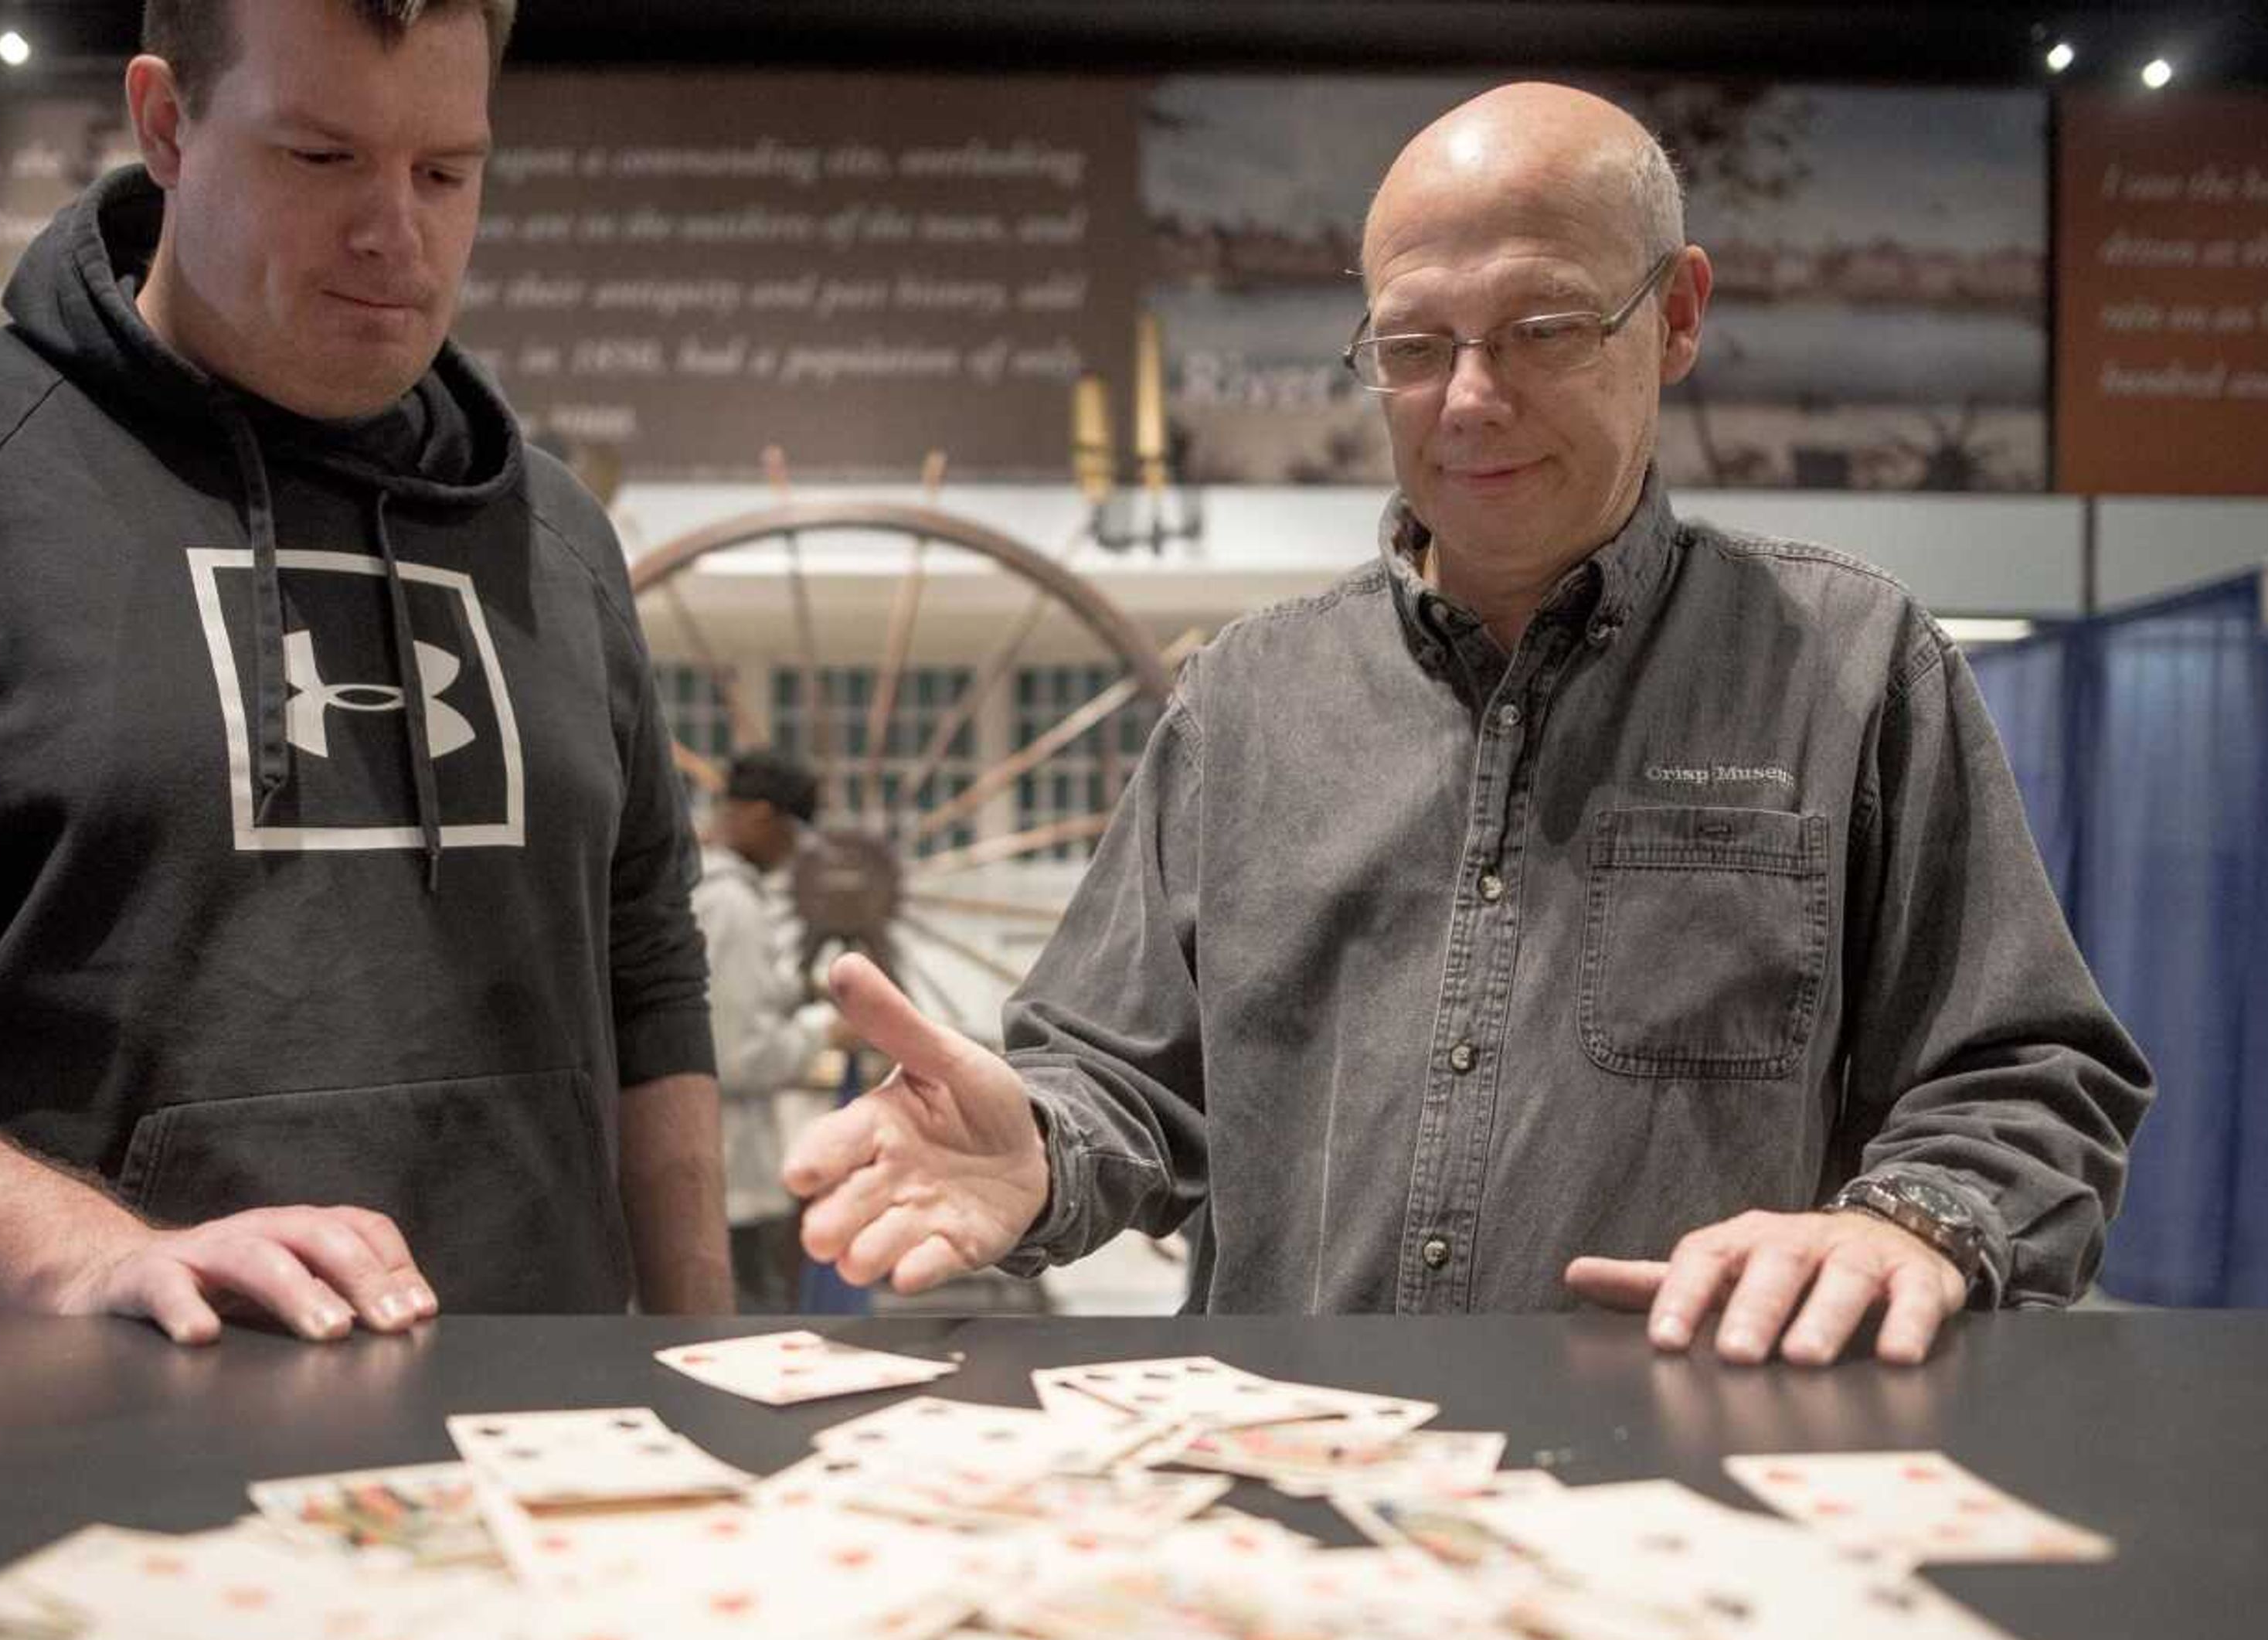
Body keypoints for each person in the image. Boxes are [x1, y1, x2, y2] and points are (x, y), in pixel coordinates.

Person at [782, 82, 2151, 1367]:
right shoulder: (1246, 703)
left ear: (1677, 316)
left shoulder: (1851, 669)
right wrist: (1038, 1143)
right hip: (1294, 1481)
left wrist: (1905, 1223)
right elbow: (1120, 1081)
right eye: (1415, 347)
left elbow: (2026, 1072)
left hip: (1684, 1485)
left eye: (1543, 331)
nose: (1472, 400)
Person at [0, 0, 733, 1341]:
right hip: (66, 1474)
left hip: (546, 1465)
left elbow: (646, 969)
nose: (395, 234)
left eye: (446, 172)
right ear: (166, 124)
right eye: (320, 159)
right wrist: (77, 1254)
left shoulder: (560, 538)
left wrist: (700, 1361)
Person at [690, 751, 844, 1313]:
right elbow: (738, 1055)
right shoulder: (731, 903)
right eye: (794, 829)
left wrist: (800, 991)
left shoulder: (703, 889)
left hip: (715, 1172)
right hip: (734, 1181)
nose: (795, 848)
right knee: (753, 1334)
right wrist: (825, 1030)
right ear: (758, 814)